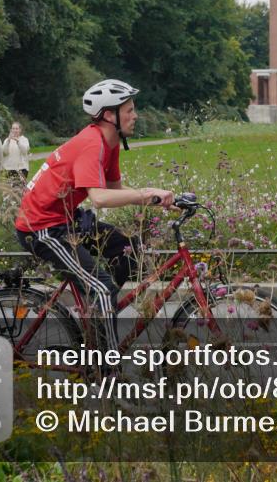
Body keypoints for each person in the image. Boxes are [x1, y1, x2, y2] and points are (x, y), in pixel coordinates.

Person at [14, 79, 175, 354]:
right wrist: (145, 194)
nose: (135, 116)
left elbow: (115, 189)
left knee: (129, 250)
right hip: (40, 228)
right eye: (130, 110)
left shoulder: (109, 144)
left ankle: (98, 313)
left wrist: (158, 199)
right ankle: (107, 374)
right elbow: (99, 198)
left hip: (65, 220)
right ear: (109, 115)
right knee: (101, 288)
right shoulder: (92, 144)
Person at [1, 121, 31, 188]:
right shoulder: (7, 140)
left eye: (16, 128)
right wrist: (8, 141)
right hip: (10, 168)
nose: (15, 130)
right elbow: (4, 152)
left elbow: (24, 151)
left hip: (22, 169)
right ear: (11, 130)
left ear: (20, 130)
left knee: (19, 189)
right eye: (13, 128)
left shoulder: (24, 139)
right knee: (10, 190)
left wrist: (18, 141)